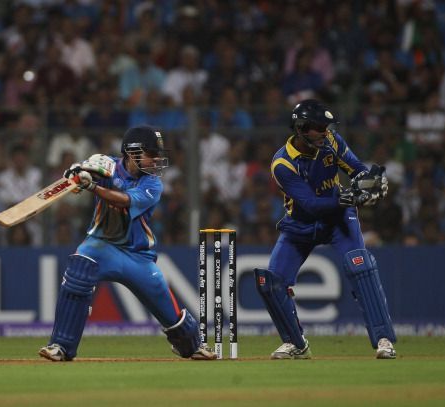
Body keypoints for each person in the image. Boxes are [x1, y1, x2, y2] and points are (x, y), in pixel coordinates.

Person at [39, 125, 215, 361]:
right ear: (132, 152)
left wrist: (93, 187)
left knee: (170, 314)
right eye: (152, 154)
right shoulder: (107, 165)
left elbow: (123, 201)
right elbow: (88, 169)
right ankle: (60, 346)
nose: (157, 160)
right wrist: (76, 174)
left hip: (137, 256)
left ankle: (192, 345)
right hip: (101, 245)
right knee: (79, 268)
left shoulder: (154, 185)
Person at [254, 99, 397, 360]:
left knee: (360, 266)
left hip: (338, 219)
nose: (324, 132)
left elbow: (357, 170)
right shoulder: (282, 163)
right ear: (301, 128)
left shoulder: (332, 140)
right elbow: (309, 204)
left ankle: (384, 340)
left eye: (326, 127)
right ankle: (296, 344)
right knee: (271, 283)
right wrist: (347, 197)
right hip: (301, 223)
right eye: (318, 127)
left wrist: (369, 183)